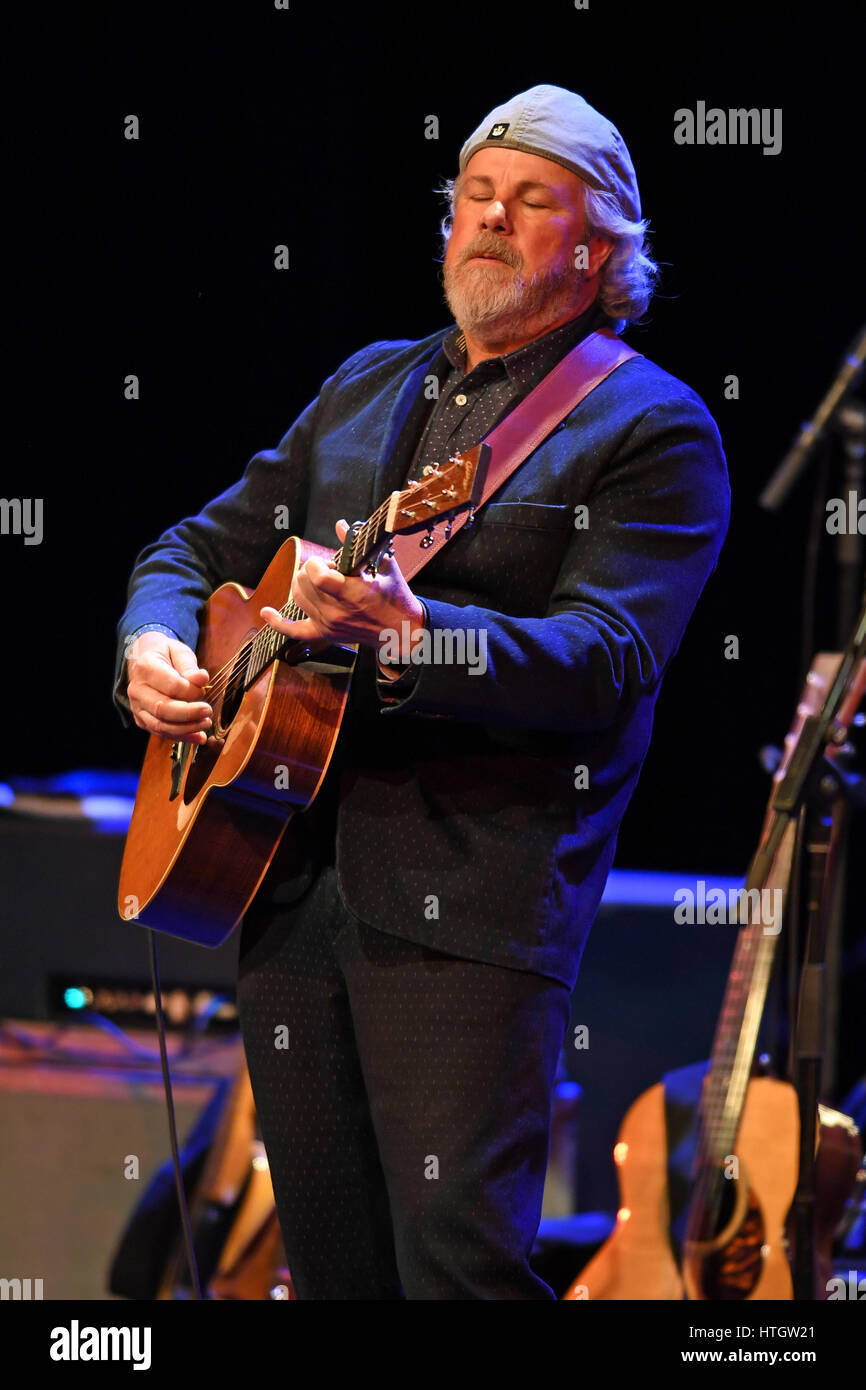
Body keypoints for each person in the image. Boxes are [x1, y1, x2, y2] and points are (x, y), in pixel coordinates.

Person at [113, 85, 731, 1299]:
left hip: (468, 907)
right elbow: (193, 549)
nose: (488, 220)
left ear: (596, 247)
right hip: (278, 874)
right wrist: (151, 643)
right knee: (334, 1265)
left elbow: (607, 657)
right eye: (473, 197)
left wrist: (418, 634)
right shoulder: (365, 384)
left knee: (455, 1266)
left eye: (530, 202)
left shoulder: (647, 426)